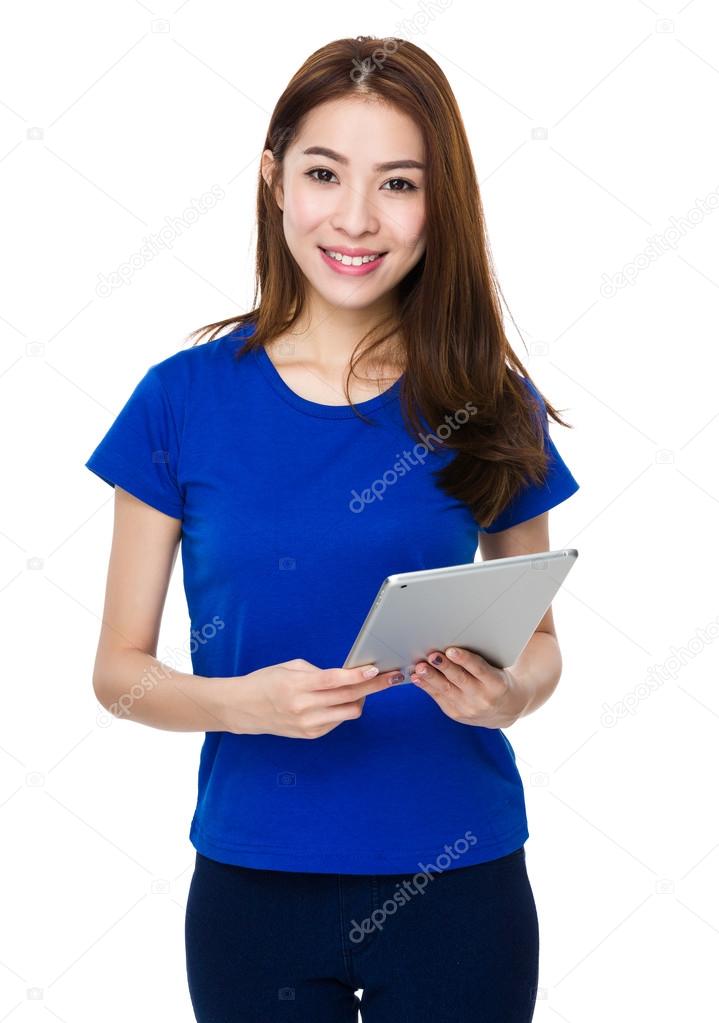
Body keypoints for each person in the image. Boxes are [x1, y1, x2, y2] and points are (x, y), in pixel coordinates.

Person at [85, 35, 580, 1023]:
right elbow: (118, 673)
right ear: (274, 181)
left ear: (440, 204)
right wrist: (243, 705)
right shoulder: (177, 403)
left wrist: (506, 695)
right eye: (323, 174)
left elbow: (540, 641)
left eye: (398, 182)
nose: (356, 218)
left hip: (460, 877)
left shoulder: (486, 402)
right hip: (252, 885)